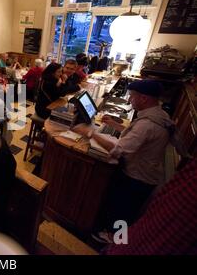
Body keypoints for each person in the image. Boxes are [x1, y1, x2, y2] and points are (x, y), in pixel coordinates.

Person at [72, 80, 174, 242]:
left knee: (123, 210)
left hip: (139, 177)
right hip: (149, 172)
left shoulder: (147, 124)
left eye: (132, 97)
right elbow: (136, 136)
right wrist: (113, 125)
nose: (130, 100)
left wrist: (90, 133)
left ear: (143, 98)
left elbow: (118, 150)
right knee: (124, 208)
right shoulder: (159, 114)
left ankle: (115, 240)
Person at [103, 157, 197, 255]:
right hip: (148, 176)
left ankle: (113, 236)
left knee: (123, 210)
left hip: (137, 174)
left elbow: (125, 148)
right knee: (129, 212)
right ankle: (116, 237)